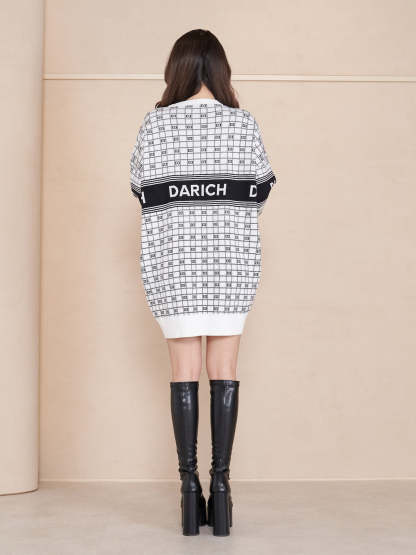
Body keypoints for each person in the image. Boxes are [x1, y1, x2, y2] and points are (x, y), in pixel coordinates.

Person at [129, 29, 276, 536]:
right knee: (225, 369)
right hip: (230, 264)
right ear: (220, 70)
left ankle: (189, 490)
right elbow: (260, 191)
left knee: (183, 372)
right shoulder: (243, 124)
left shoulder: (154, 126)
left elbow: (141, 192)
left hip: (174, 265)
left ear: (176, 70)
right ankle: (222, 487)